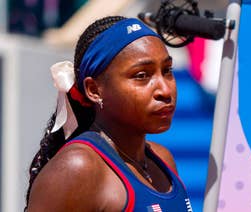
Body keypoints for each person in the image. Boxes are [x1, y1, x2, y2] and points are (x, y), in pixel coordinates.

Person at [25, 16, 193, 211]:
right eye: (141, 76)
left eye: (167, 70)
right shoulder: (78, 168)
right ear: (94, 90)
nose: (164, 90)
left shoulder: (163, 159)